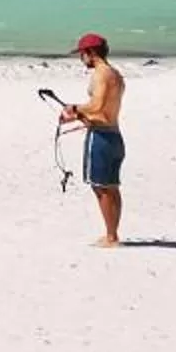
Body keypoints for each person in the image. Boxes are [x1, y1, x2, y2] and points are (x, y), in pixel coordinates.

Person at [58, 33, 125, 247]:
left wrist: (74, 108)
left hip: (101, 137)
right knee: (112, 187)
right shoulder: (116, 74)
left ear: (91, 53)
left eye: (82, 54)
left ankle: (111, 237)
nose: (81, 59)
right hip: (114, 135)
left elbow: (97, 106)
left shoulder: (100, 75)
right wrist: (78, 117)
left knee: (101, 188)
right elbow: (104, 110)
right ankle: (112, 233)